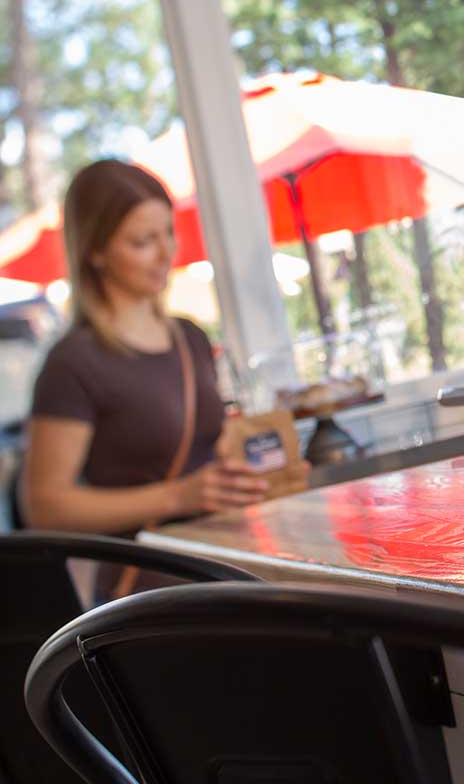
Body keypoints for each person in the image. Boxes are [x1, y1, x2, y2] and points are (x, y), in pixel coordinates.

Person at [21, 160, 277, 595]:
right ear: (95, 252)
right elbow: (45, 506)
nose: (166, 253)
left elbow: (206, 453)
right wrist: (178, 496)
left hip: (226, 568)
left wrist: (266, 466)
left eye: (168, 234)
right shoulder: (74, 362)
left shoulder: (189, 337)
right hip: (148, 594)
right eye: (143, 241)